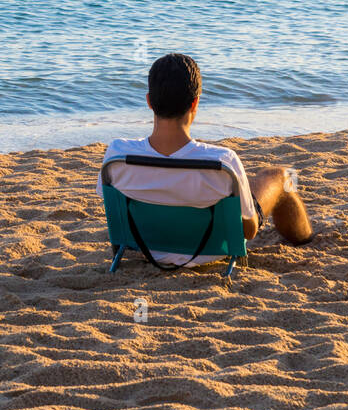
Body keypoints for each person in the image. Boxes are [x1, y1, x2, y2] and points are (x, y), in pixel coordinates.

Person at [97, 52, 313, 260]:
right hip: (209, 252)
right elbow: (248, 231)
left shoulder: (117, 155)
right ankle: (306, 240)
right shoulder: (222, 162)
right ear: (195, 103)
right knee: (280, 177)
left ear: (149, 102)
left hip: (146, 248)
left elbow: (113, 213)